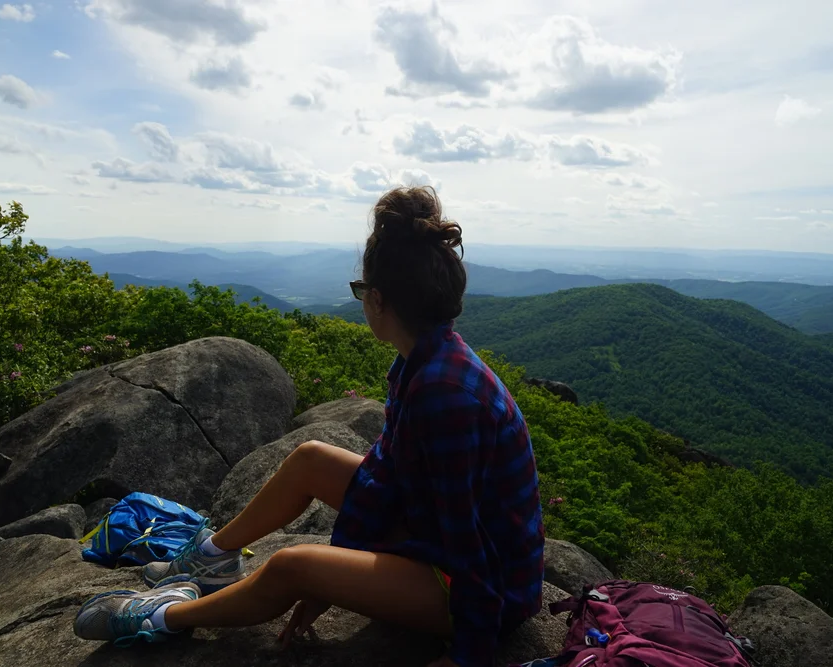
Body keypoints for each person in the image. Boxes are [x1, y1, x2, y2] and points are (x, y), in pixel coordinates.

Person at [73, 186, 545, 667]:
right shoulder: (424, 362)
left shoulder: (445, 394)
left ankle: (162, 617)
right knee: (311, 459)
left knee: (292, 565)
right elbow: (386, 479)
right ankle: (210, 558)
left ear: (377, 299)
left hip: (482, 589)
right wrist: (337, 576)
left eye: (361, 292)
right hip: (436, 538)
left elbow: (467, 539)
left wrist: (468, 655)